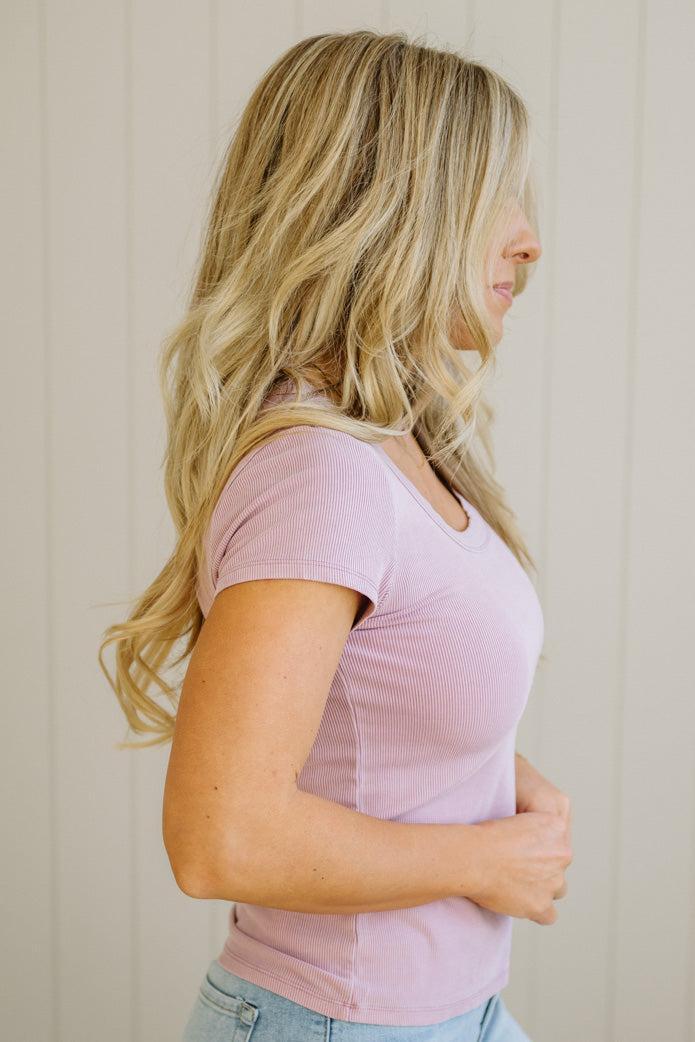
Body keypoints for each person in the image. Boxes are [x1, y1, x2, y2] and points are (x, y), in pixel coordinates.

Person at [98, 28, 572, 1042]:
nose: (529, 240)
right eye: (495, 196)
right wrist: (483, 859)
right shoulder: (325, 474)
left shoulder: (398, 444)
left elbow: (377, 700)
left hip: (442, 1015)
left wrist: (503, 779)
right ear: (389, 211)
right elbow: (220, 836)